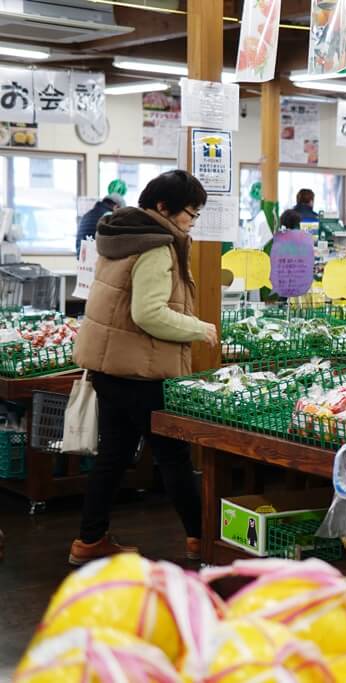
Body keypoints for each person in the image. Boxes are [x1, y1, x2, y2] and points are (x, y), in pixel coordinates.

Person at [70, 170, 218, 566]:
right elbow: (149, 313)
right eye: (190, 213)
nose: (192, 221)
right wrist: (198, 328)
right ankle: (201, 540)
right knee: (172, 457)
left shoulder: (118, 235)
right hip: (141, 371)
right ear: (163, 208)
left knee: (113, 455)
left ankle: (89, 539)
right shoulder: (155, 246)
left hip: (111, 366)